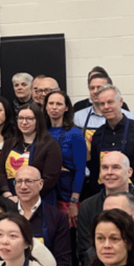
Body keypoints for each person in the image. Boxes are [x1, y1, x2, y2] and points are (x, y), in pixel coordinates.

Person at [86, 84, 134, 196]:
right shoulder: (98, 135)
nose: (106, 107)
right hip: (105, 199)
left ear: (120, 102)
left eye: (110, 102)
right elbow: (95, 173)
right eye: (102, 104)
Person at [12, 166, 72, 266]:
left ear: (41, 184)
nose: (23, 186)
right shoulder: (7, 215)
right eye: (19, 181)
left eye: (28, 181)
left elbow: (63, 260)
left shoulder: (57, 217)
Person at [0, 103, 62, 198]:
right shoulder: (9, 143)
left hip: (38, 198)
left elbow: (50, 179)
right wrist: (8, 194)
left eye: (30, 119)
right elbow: (0, 172)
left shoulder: (50, 145)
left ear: (38, 121)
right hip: (10, 198)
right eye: (21, 118)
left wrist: (24, 196)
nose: (24, 122)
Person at [45, 91, 86, 225]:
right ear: (45, 106)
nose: (54, 107)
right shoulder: (41, 132)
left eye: (59, 104)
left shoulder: (75, 133)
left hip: (67, 193)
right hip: (46, 192)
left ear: (66, 107)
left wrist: (74, 202)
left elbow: (80, 170)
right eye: (51, 103)